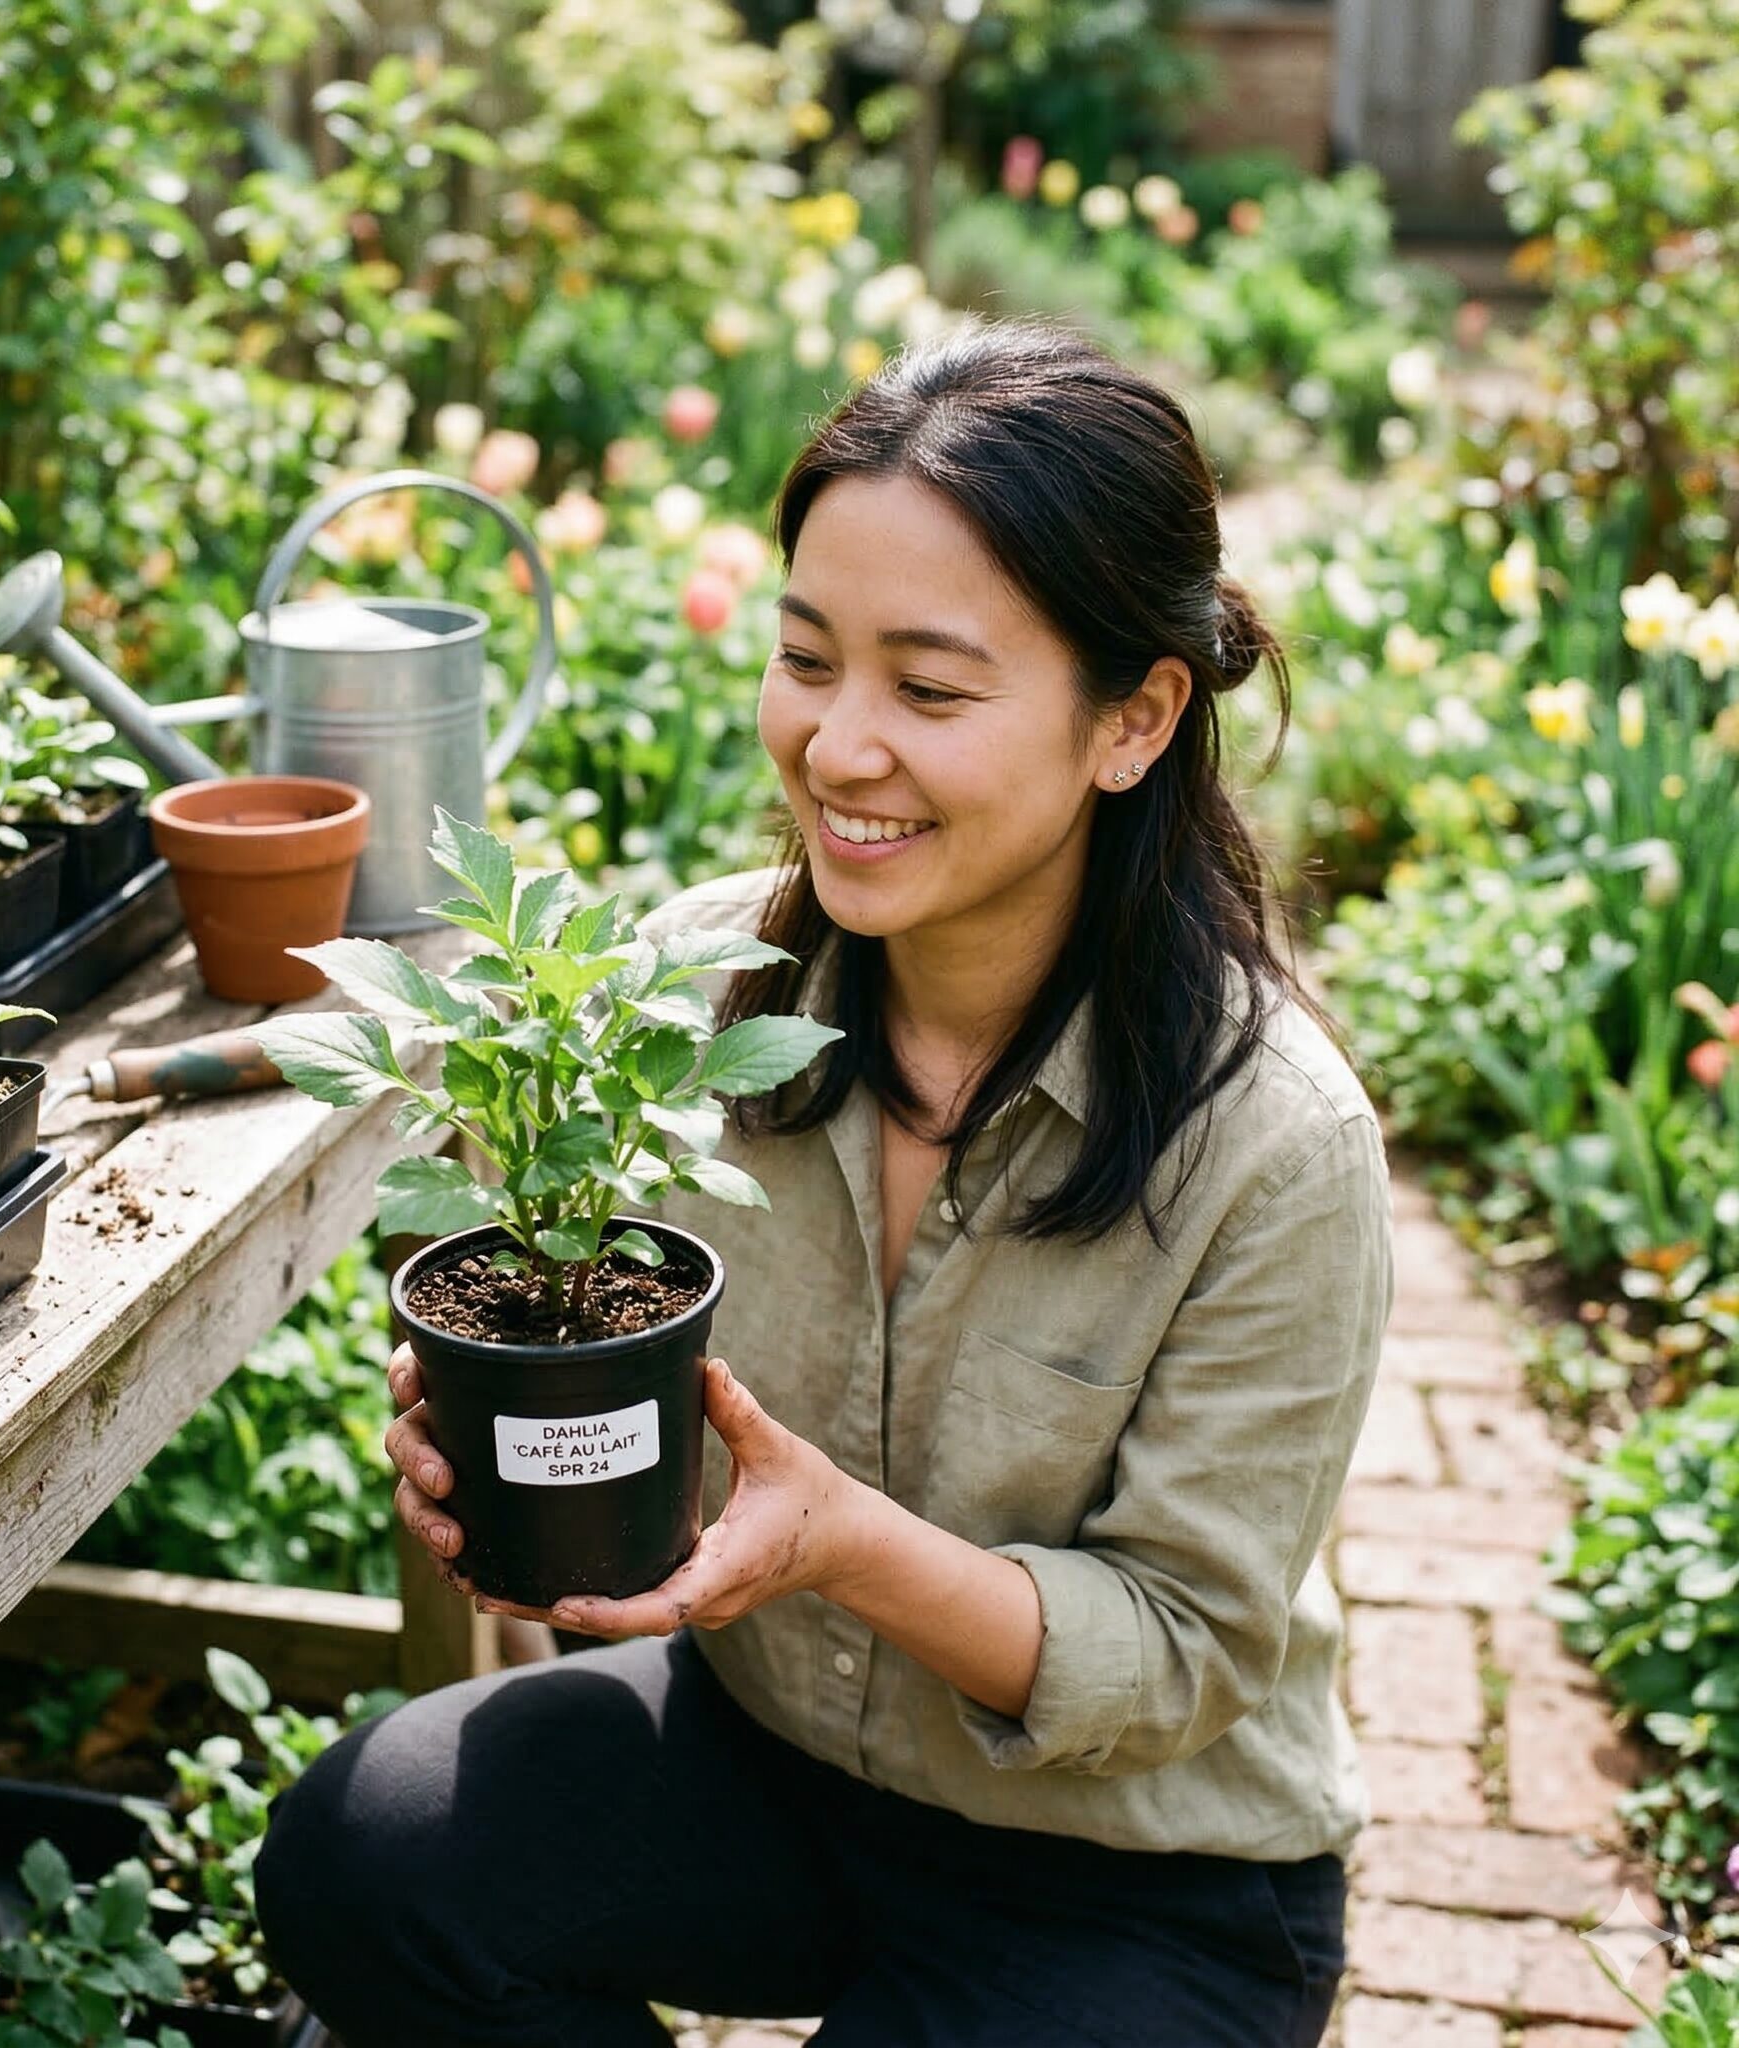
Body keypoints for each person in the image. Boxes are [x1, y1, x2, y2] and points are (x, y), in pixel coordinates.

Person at [252, 321, 1394, 2048]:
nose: (840, 747)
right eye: (806, 659)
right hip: (774, 1764)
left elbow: (1181, 1653)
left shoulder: (1273, 1145)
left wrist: (843, 1546)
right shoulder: (693, 997)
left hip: (1133, 1877)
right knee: (368, 1860)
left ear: (1135, 719)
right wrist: (499, 1434)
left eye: (929, 691)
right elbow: (558, 1293)